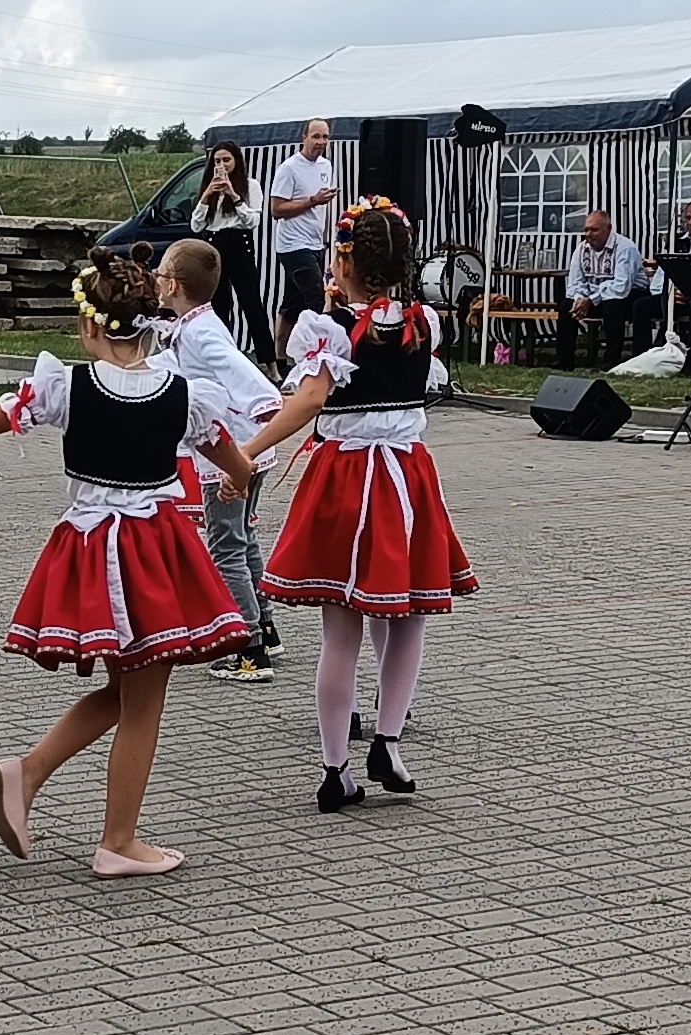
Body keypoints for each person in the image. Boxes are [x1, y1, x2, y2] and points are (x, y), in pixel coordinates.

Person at [0, 250, 262, 881]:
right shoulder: (184, 396)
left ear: (91, 326)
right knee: (143, 702)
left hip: (91, 549)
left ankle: (28, 773)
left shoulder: (67, 386)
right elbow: (235, 461)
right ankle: (118, 840)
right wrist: (237, 479)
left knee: (123, 691)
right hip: (154, 553)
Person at [249, 203, 479, 812]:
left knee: (341, 629)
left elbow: (307, 403)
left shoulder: (324, 329)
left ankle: (335, 769)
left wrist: (247, 451)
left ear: (345, 263)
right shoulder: (424, 322)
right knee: (407, 616)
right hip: (405, 476)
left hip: (346, 478)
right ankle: (388, 742)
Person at [160, 237, 284, 674]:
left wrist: (263, 401)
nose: (156, 280)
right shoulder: (197, 323)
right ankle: (264, 625)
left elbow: (234, 366)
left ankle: (248, 648)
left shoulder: (200, 332)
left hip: (229, 454)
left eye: (160, 274)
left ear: (173, 285)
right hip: (246, 449)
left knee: (225, 547)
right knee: (242, 538)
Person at [190, 142, 273, 357]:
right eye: (217, 161)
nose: (222, 165)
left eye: (226, 160)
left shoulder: (250, 185)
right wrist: (206, 195)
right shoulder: (209, 187)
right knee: (218, 306)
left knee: (251, 304)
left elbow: (253, 221)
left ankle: (270, 363)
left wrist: (234, 196)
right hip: (213, 246)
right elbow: (196, 225)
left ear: (236, 160)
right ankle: (223, 356)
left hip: (238, 244)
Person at [265, 118, 344, 329]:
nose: (321, 142)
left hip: (316, 242)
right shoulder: (289, 168)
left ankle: (280, 350)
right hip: (293, 245)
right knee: (318, 297)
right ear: (304, 137)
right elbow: (276, 210)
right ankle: (323, 344)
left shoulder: (326, 165)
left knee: (292, 305)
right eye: (316, 136)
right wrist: (313, 201)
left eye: (325, 137)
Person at [555, 208, 655, 366]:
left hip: (631, 295)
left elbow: (621, 287)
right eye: (586, 230)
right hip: (597, 297)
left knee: (613, 306)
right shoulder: (581, 249)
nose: (589, 234)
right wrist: (580, 299)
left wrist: (591, 300)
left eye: (594, 230)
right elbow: (575, 282)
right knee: (566, 306)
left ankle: (611, 360)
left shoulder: (625, 247)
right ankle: (564, 359)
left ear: (608, 229)